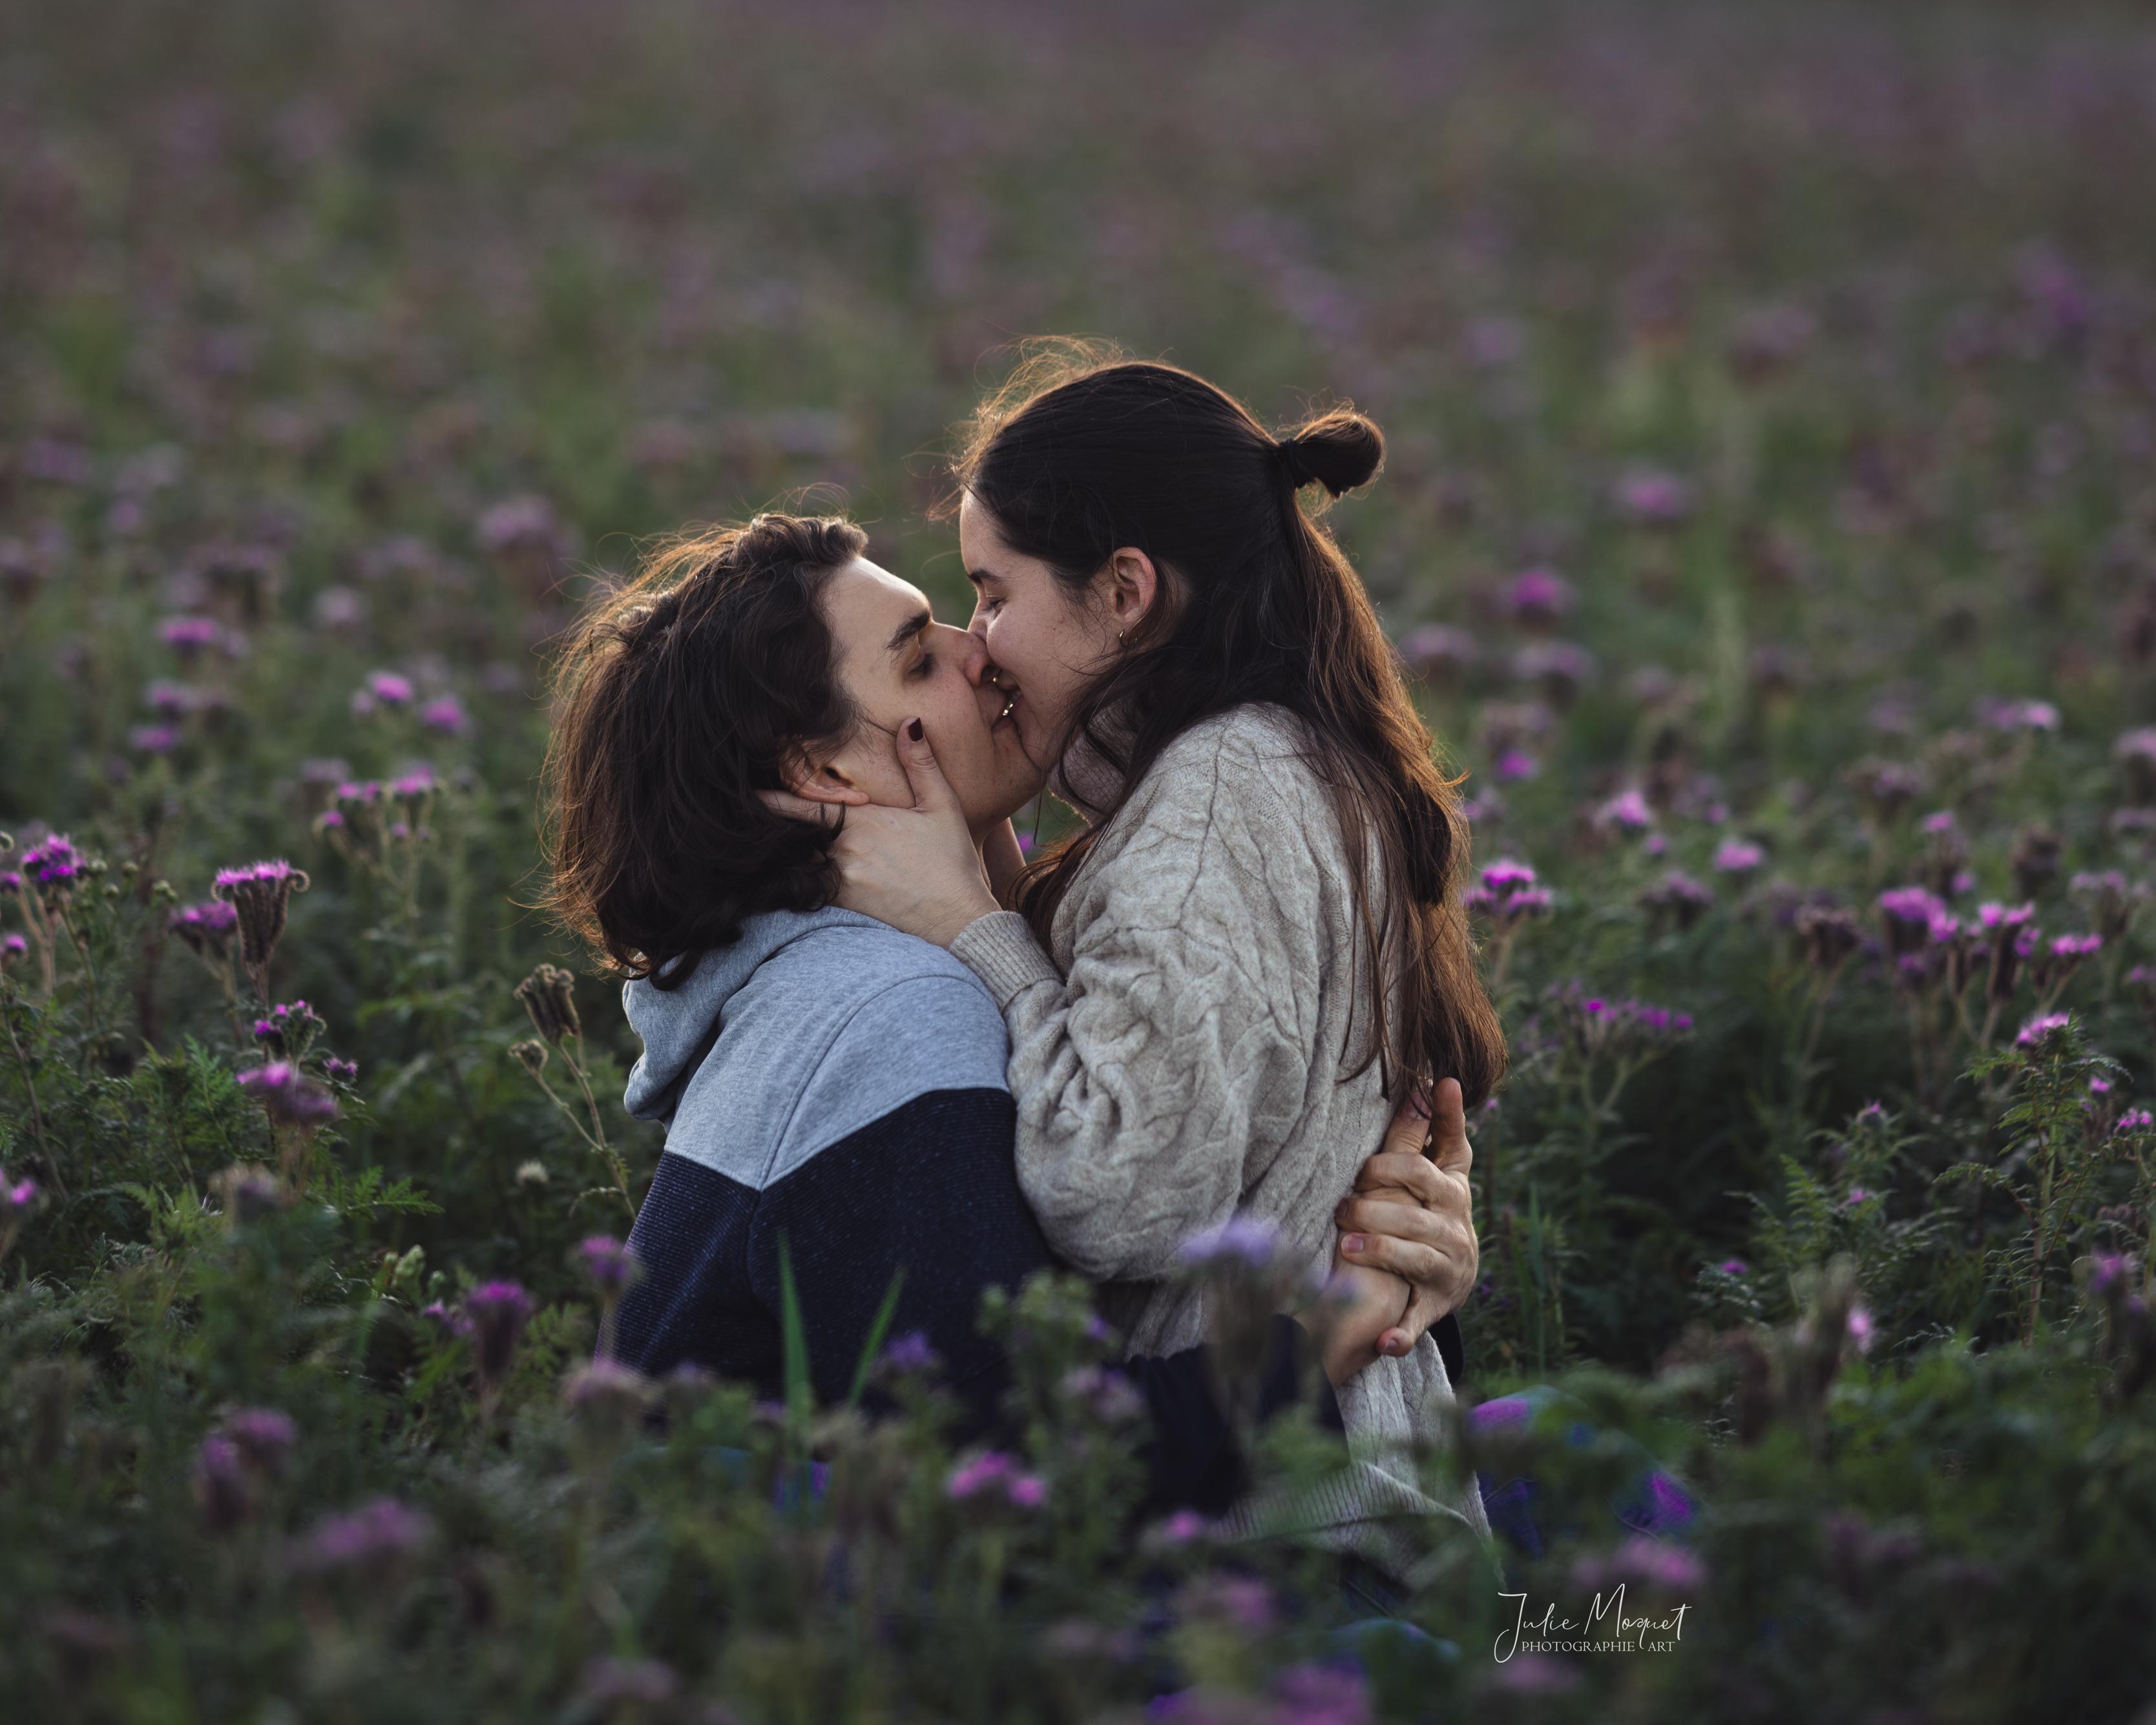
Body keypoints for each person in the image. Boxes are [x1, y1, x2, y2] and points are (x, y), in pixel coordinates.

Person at [541, 512, 1476, 1514]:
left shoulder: (855, 973)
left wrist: (1407, 1259)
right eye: (919, 660)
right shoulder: (891, 1013)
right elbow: (1043, 1468)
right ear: (823, 771)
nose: (980, 652)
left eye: (962, 616)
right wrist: (1345, 1329)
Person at [761, 345, 1508, 1574]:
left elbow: (1117, 1191)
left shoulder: (1221, 794)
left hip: (1286, 1538)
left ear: (1123, 593)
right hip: (1317, 1492)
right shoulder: (1266, 769)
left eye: (992, 592)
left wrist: (976, 928)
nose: (981, 645)